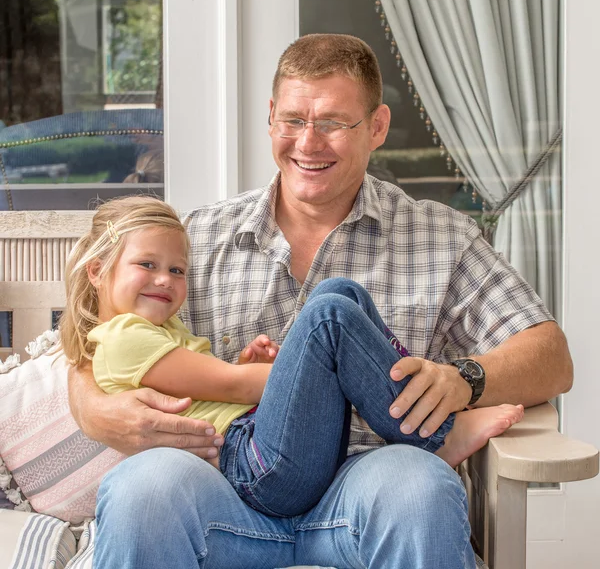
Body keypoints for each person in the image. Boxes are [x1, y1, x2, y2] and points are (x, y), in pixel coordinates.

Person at [68, 34, 573, 569]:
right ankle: (438, 439)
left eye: (333, 122)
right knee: (141, 488)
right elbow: (102, 342)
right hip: (227, 486)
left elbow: (551, 355)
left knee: (418, 485)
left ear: (376, 127)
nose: (308, 142)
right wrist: (93, 408)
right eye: (292, 120)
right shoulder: (197, 238)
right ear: (270, 118)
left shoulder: (440, 237)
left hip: (369, 485)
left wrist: (463, 380)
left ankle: (432, 441)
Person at [61, 195, 523, 517]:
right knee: (327, 320)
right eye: (148, 265)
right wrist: (309, 366)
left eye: (177, 269)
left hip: (266, 450)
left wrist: (254, 366)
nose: (165, 279)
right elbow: (230, 387)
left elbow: (214, 385)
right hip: (255, 469)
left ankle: (423, 423)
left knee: (338, 294)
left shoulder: (156, 329)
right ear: (98, 271)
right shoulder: (123, 339)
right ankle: (437, 434)